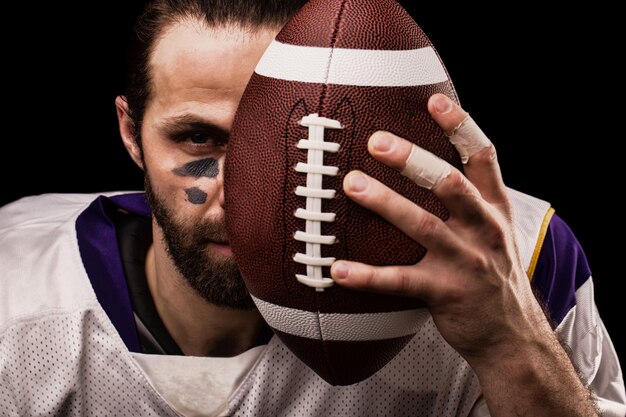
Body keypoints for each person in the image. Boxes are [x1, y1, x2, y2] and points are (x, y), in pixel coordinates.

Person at [0, 0, 623, 415]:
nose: (246, 195)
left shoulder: (509, 264)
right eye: (199, 139)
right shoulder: (15, 290)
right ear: (130, 132)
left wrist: (509, 340)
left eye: (288, 147)